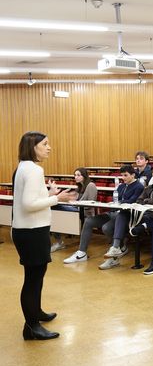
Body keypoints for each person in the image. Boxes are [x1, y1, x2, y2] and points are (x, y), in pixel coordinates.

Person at [12, 131, 74, 340]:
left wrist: (47, 194)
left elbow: (28, 199)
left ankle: (36, 313)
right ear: (33, 146)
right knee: (33, 279)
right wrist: (56, 198)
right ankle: (31, 326)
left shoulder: (22, 167)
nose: (49, 147)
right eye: (45, 144)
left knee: (35, 277)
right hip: (32, 232)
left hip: (26, 230)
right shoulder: (34, 170)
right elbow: (28, 205)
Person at [63, 165, 143, 264]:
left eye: (125, 175)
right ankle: (81, 252)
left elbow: (132, 201)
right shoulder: (121, 186)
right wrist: (111, 204)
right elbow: (116, 200)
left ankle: (119, 248)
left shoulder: (139, 186)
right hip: (113, 212)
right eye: (122, 175)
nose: (123, 178)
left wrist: (118, 203)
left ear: (133, 175)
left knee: (106, 228)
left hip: (125, 215)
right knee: (89, 221)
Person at [98, 163, 153, 270]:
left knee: (122, 215)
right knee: (122, 214)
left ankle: (116, 249)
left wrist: (145, 201)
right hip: (141, 214)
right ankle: (116, 248)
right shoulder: (150, 187)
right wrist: (145, 201)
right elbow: (139, 200)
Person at [50, 167, 98, 252]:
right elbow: (74, 199)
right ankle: (58, 241)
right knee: (53, 208)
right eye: (75, 175)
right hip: (77, 209)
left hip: (84, 212)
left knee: (54, 207)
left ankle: (59, 242)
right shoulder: (79, 187)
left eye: (78, 175)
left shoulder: (91, 185)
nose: (76, 177)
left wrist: (74, 202)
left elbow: (91, 203)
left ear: (84, 176)